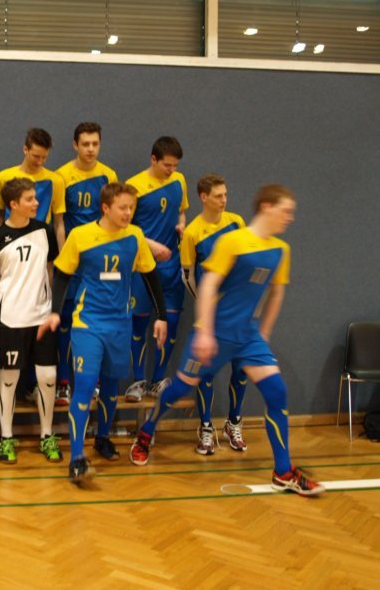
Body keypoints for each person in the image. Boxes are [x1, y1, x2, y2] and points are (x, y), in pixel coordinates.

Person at [130, 184, 325, 497]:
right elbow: (208, 286)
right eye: (285, 211)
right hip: (214, 332)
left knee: (277, 392)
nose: (290, 217)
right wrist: (206, 332)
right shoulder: (233, 241)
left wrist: (263, 334)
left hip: (247, 336)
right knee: (179, 389)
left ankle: (283, 472)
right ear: (267, 207)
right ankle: (146, 431)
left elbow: (276, 293)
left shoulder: (281, 249)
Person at [44, 182, 167, 484]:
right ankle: (76, 458)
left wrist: (162, 316)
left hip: (120, 324)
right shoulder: (80, 235)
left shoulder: (135, 236)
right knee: (86, 386)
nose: (128, 213)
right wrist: (55, 311)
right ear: (106, 208)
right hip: (88, 323)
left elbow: (150, 275)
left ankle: (102, 437)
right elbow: (63, 274)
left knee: (111, 385)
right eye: (123, 208)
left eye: (131, 208)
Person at [0, 178, 62, 464]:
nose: (36, 203)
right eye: (30, 199)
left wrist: (50, 306)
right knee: (8, 380)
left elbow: (50, 271)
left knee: (48, 379)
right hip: (10, 320)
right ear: (13, 204)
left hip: (41, 318)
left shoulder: (45, 230)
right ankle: (6, 438)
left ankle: (46, 435)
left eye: (35, 197)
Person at [180, 174, 248, 455]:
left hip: (237, 314)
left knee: (241, 369)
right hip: (210, 318)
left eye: (226, 195)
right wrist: (206, 305)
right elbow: (187, 276)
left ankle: (234, 423)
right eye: (219, 196)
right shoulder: (192, 233)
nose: (224, 200)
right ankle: (206, 427)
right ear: (203, 197)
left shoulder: (237, 222)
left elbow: (246, 262)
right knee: (205, 372)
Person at [52, 122, 118, 406]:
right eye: (85, 144)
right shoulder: (62, 176)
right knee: (66, 322)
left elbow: (113, 221)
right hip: (74, 262)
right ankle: (64, 382)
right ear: (75, 145)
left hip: (101, 264)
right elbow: (58, 223)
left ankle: (94, 383)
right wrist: (64, 259)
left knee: (97, 322)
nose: (91, 149)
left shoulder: (108, 175)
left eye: (95, 144)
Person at [124, 137, 189, 403]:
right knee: (139, 324)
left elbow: (181, 212)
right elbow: (125, 226)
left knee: (170, 324)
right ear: (153, 159)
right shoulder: (134, 186)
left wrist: (182, 226)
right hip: (142, 266)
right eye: (166, 165)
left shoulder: (179, 181)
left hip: (171, 266)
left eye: (175, 166)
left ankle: (158, 380)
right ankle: (138, 380)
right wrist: (150, 245)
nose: (171, 170)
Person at [0, 128, 66, 249]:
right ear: (25, 149)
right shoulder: (4, 177)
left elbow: (59, 223)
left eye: (44, 157)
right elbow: (0, 218)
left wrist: (62, 256)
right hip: (11, 242)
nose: (40, 162)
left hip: (42, 243)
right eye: (36, 156)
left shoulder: (56, 181)